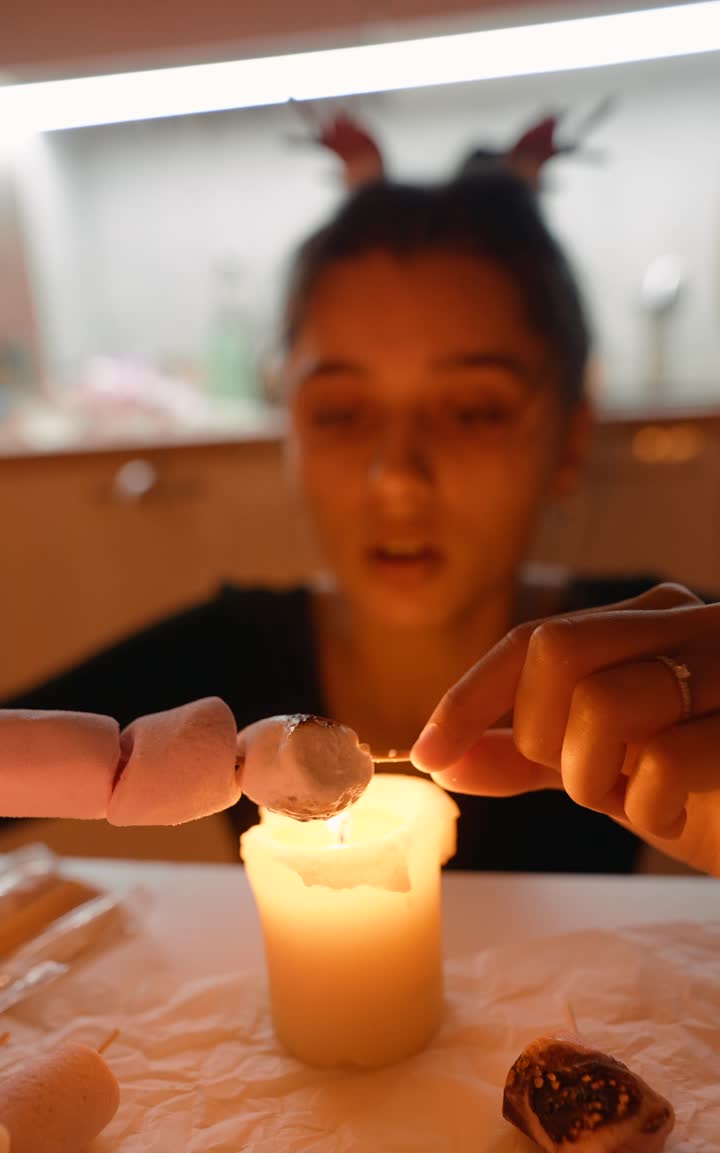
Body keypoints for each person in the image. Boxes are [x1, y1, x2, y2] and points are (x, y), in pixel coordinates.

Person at [3, 171, 717, 874]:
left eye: (472, 411)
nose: (397, 476)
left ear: (570, 440)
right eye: (341, 414)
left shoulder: (663, 667)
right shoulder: (219, 659)